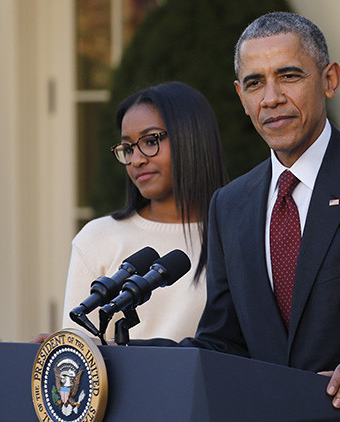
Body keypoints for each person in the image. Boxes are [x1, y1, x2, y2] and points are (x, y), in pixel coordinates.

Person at [131, 12, 340, 420]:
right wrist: (115, 356)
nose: (271, 97)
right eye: (254, 82)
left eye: (289, 75)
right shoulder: (229, 204)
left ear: (329, 79)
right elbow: (222, 345)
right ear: (241, 98)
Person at [60, 81, 227, 341]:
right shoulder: (98, 238)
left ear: (192, 138)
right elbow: (78, 352)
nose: (136, 159)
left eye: (150, 141)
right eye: (128, 148)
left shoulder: (235, 236)